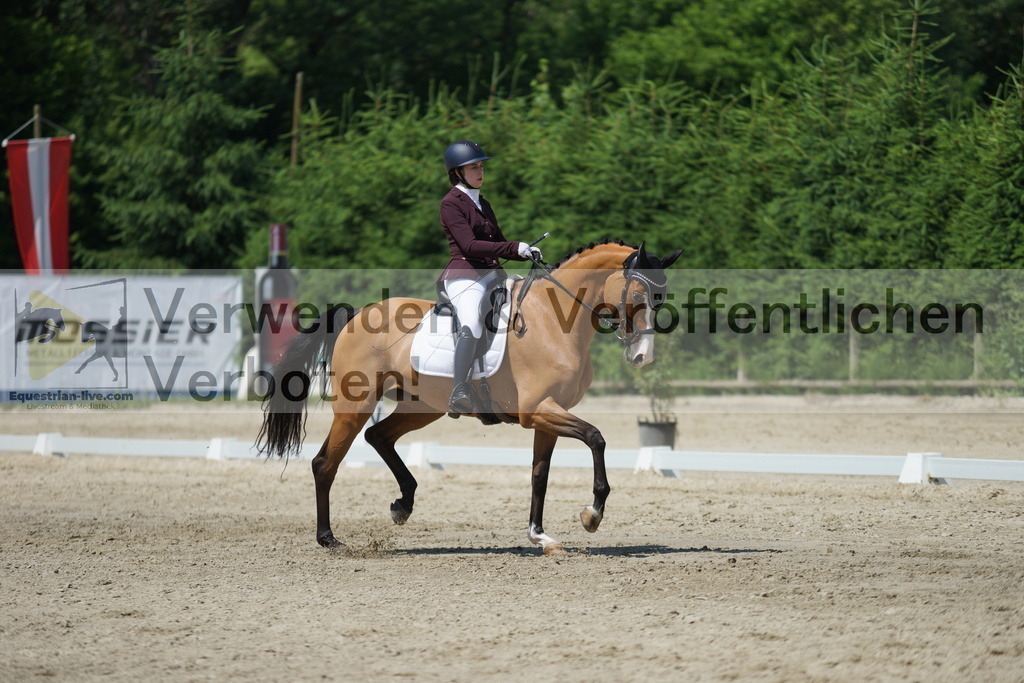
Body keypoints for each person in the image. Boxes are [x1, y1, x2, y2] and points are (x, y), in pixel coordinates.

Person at [437, 140, 542, 415]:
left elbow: (500, 242)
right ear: (458, 172)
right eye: (473, 167)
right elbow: (470, 245)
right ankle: (459, 390)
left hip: (493, 274)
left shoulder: (483, 203)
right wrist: (512, 247)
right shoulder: (450, 204)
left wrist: (526, 252)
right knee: (471, 322)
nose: (480, 172)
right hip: (465, 274)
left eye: (481, 166)